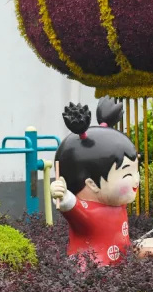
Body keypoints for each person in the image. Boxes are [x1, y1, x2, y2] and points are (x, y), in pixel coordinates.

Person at [51, 98, 140, 265]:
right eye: (127, 174)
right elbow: (71, 206)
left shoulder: (117, 205)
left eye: (136, 172)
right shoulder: (88, 210)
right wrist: (63, 195)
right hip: (94, 265)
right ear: (91, 184)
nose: (136, 181)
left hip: (123, 261)